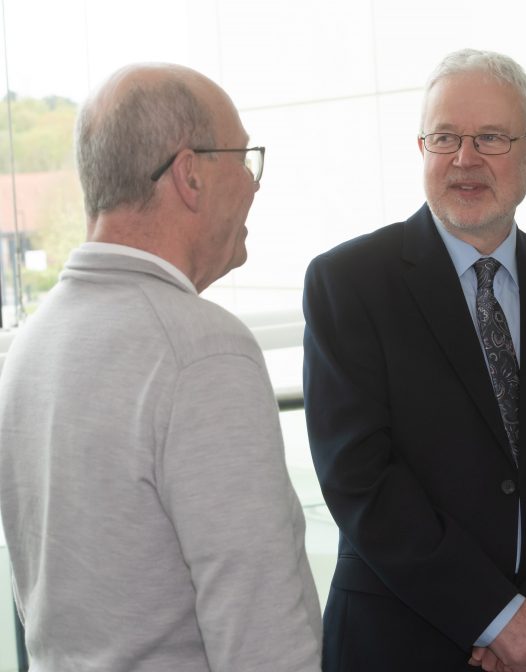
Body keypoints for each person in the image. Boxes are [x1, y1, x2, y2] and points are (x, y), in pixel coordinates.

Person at [303, 48, 526, 672]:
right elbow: (359, 476)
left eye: (489, 137)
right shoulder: (349, 282)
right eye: (445, 137)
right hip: (400, 642)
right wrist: (498, 615)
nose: (464, 159)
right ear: (422, 148)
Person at [0, 64, 322, 671]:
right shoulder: (201, 352)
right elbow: (260, 632)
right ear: (190, 174)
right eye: (243, 158)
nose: (253, 186)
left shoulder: (32, 345)